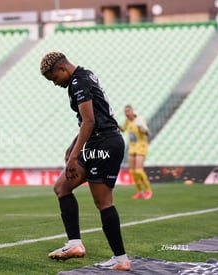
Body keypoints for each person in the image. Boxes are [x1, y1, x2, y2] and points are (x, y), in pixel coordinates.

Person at [40, 52, 130, 271]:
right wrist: (73, 146)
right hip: (96, 142)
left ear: (62, 70)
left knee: (103, 202)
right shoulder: (84, 76)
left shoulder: (78, 82)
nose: (56, 84)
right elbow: (89, 120)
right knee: (62, 186)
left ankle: (121, 260)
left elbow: (89, 121)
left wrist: (73, 157)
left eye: (54, 79)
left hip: (105, 143)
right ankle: (75, 244)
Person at [119, 105, 152, 200]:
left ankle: (148, 190)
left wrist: (142, 128)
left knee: (139, 170)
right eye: (125, 111)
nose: (127, 113)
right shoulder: (127, 121)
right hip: (132, 148)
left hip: (141, 147)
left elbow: (146, 132)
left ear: (133, 111)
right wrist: (114, 121)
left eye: (128, 111)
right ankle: (139, 192)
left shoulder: (139, 120)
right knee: (132, 171)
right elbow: (123, 129)